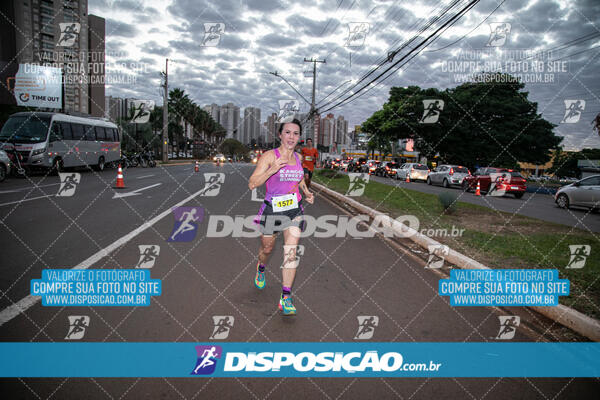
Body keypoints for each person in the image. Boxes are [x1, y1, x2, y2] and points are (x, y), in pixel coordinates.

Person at [248, 119, 314, 315]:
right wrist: (273, 168)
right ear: (280, 135)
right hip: (271, 210)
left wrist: (306, 192)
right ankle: (261, 267)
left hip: (294, 210)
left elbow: (300, 178)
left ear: (299, 137)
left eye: (295, 133)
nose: (291, 137)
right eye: (288, 132)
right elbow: (252, 184)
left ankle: (285, 297)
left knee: (291, 252)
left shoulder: (299, 158)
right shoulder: (269, 156)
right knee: (267, 248)